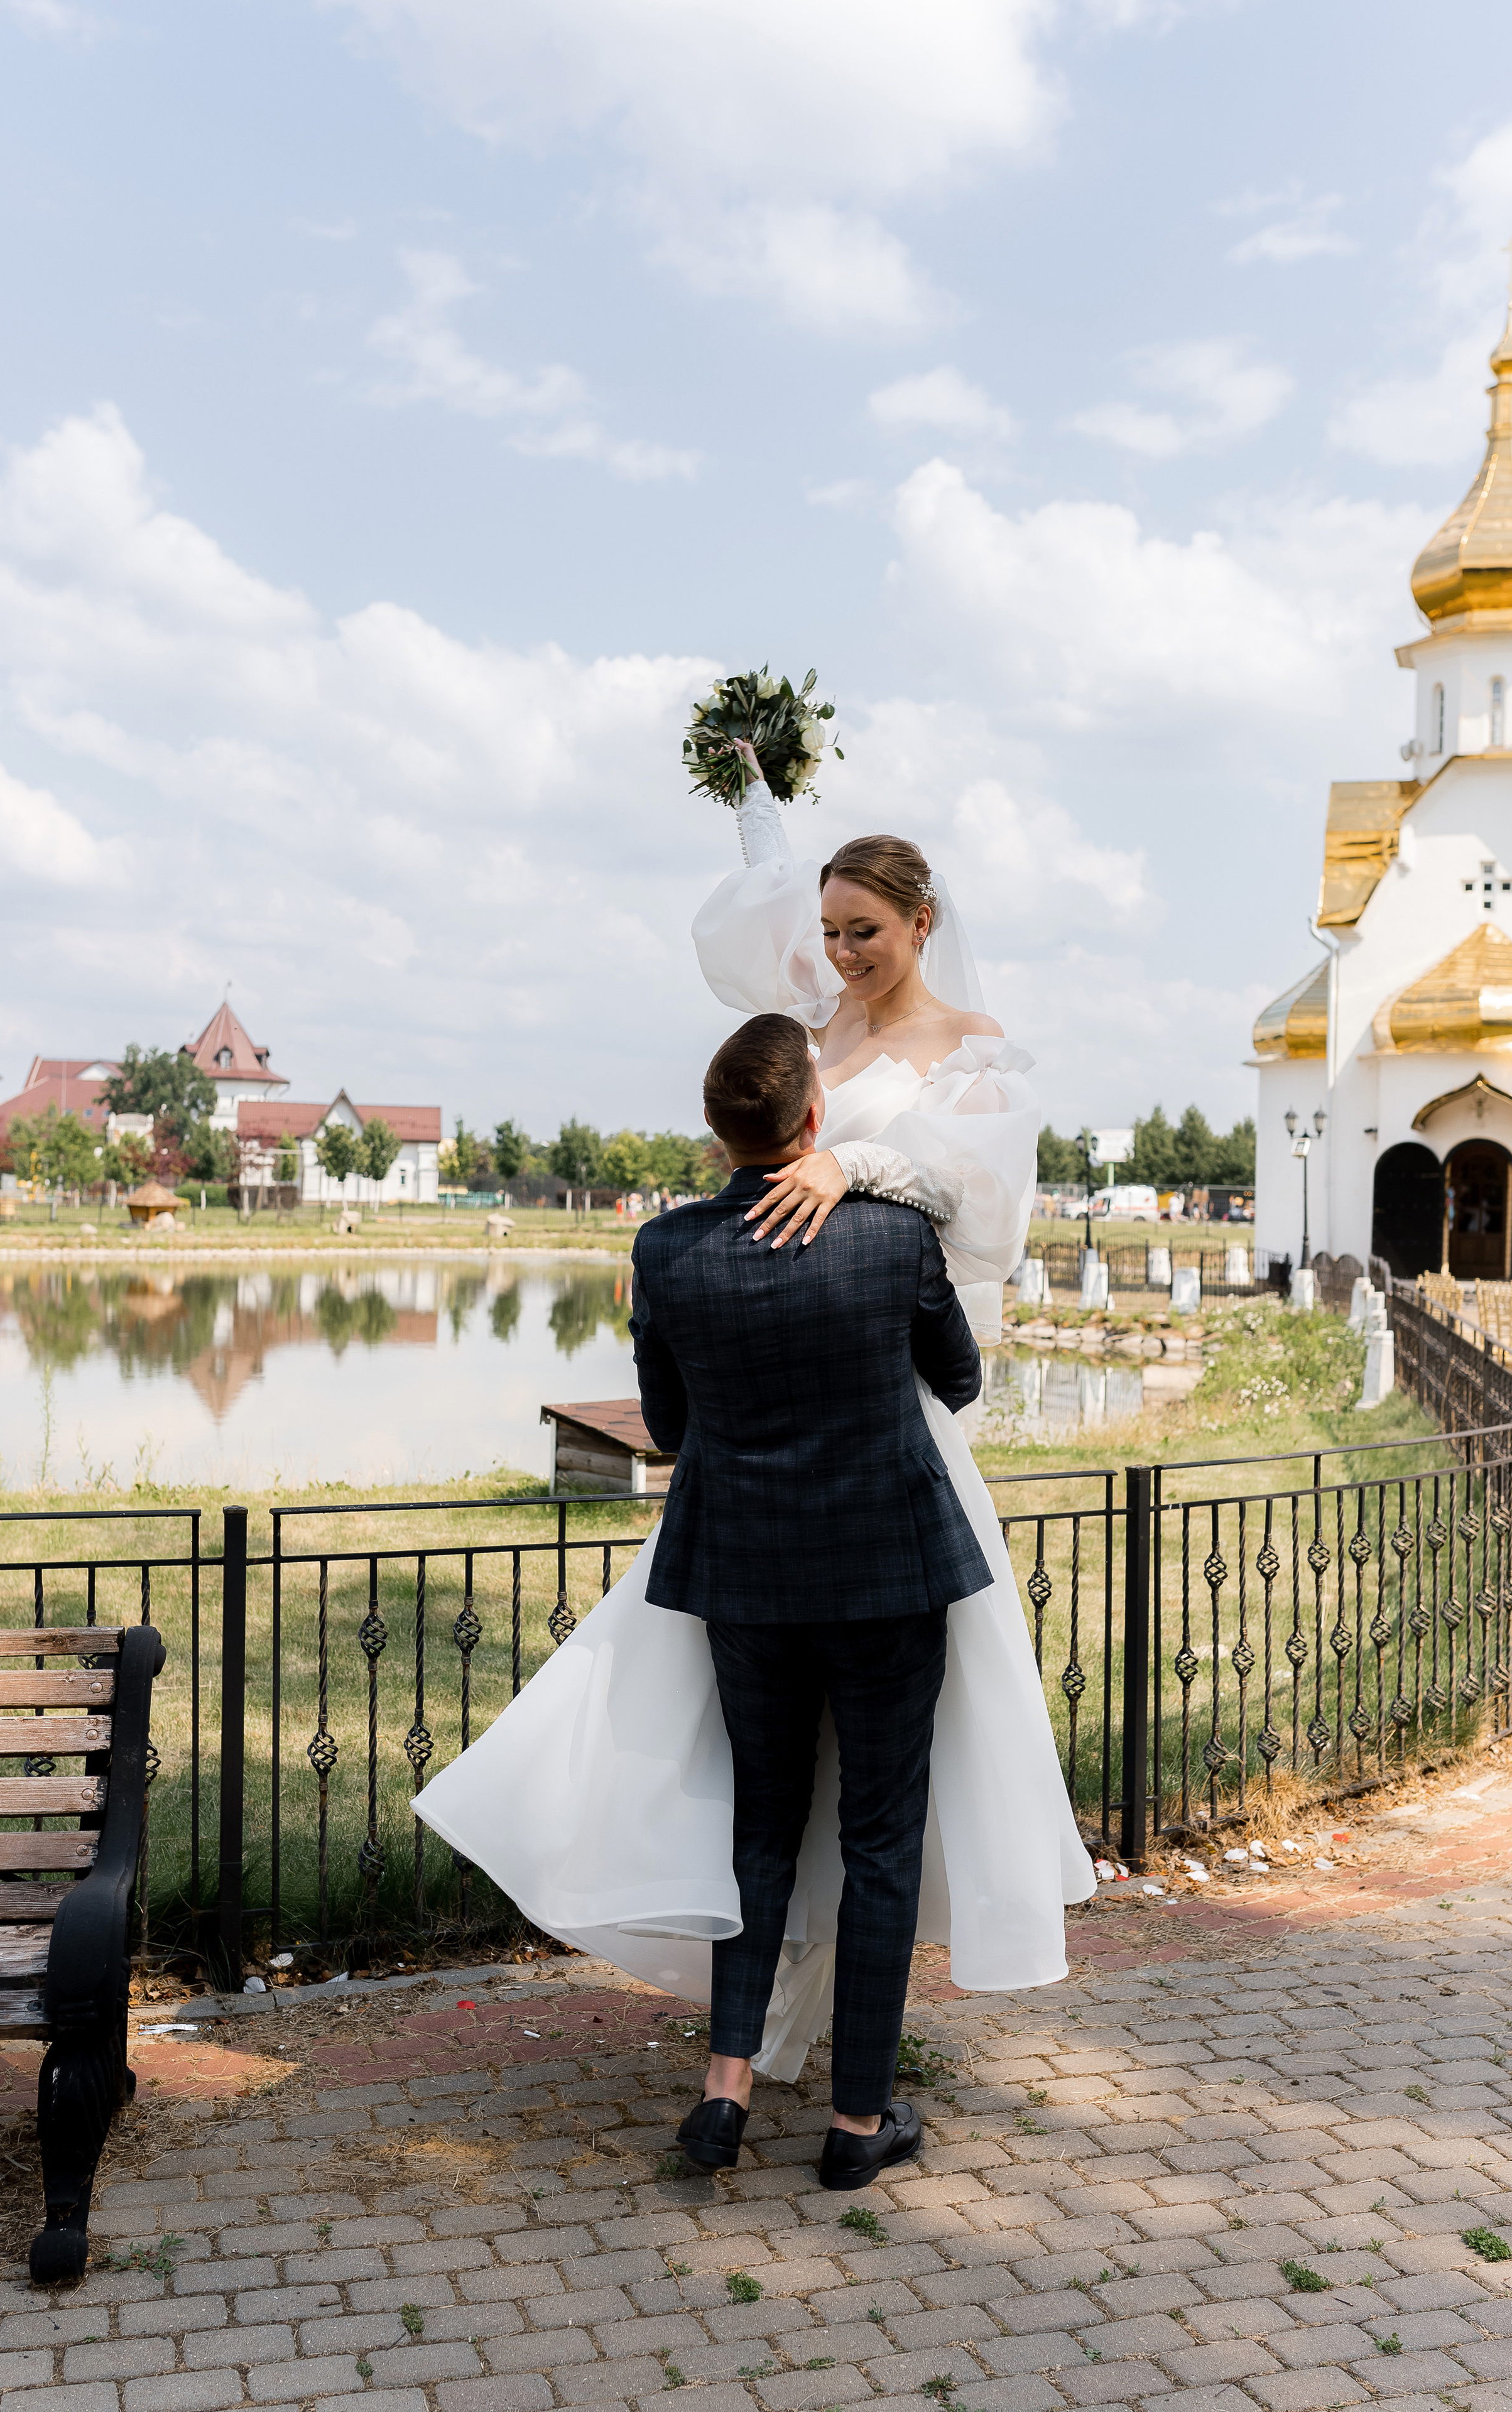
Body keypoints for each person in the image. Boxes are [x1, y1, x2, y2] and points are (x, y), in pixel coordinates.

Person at [414, 764, 1094, 2109]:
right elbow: (757, 967)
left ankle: (765, 2067)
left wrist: (861, 1169)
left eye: (865, 932)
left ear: (921, 922)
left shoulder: (971, 1047)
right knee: (767, 1780)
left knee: (871, 1782)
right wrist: (761, 803)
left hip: (880, 1424)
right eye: (830, 929)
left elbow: (985, 1220)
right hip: (807, 1437)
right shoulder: (807, 1029)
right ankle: (828, 2079)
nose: (839, 954)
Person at [632, 1012, 988, 2185]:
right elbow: (961, 1377)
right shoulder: (890, 1241)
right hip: (887, 1570)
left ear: (717, 1128)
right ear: (816, 1117)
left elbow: (674, 1430)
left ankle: (724, 2096)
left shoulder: (666, 1252)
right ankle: (854, 2126)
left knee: (760, 1828)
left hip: (746, 1575)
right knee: (880, 1839)